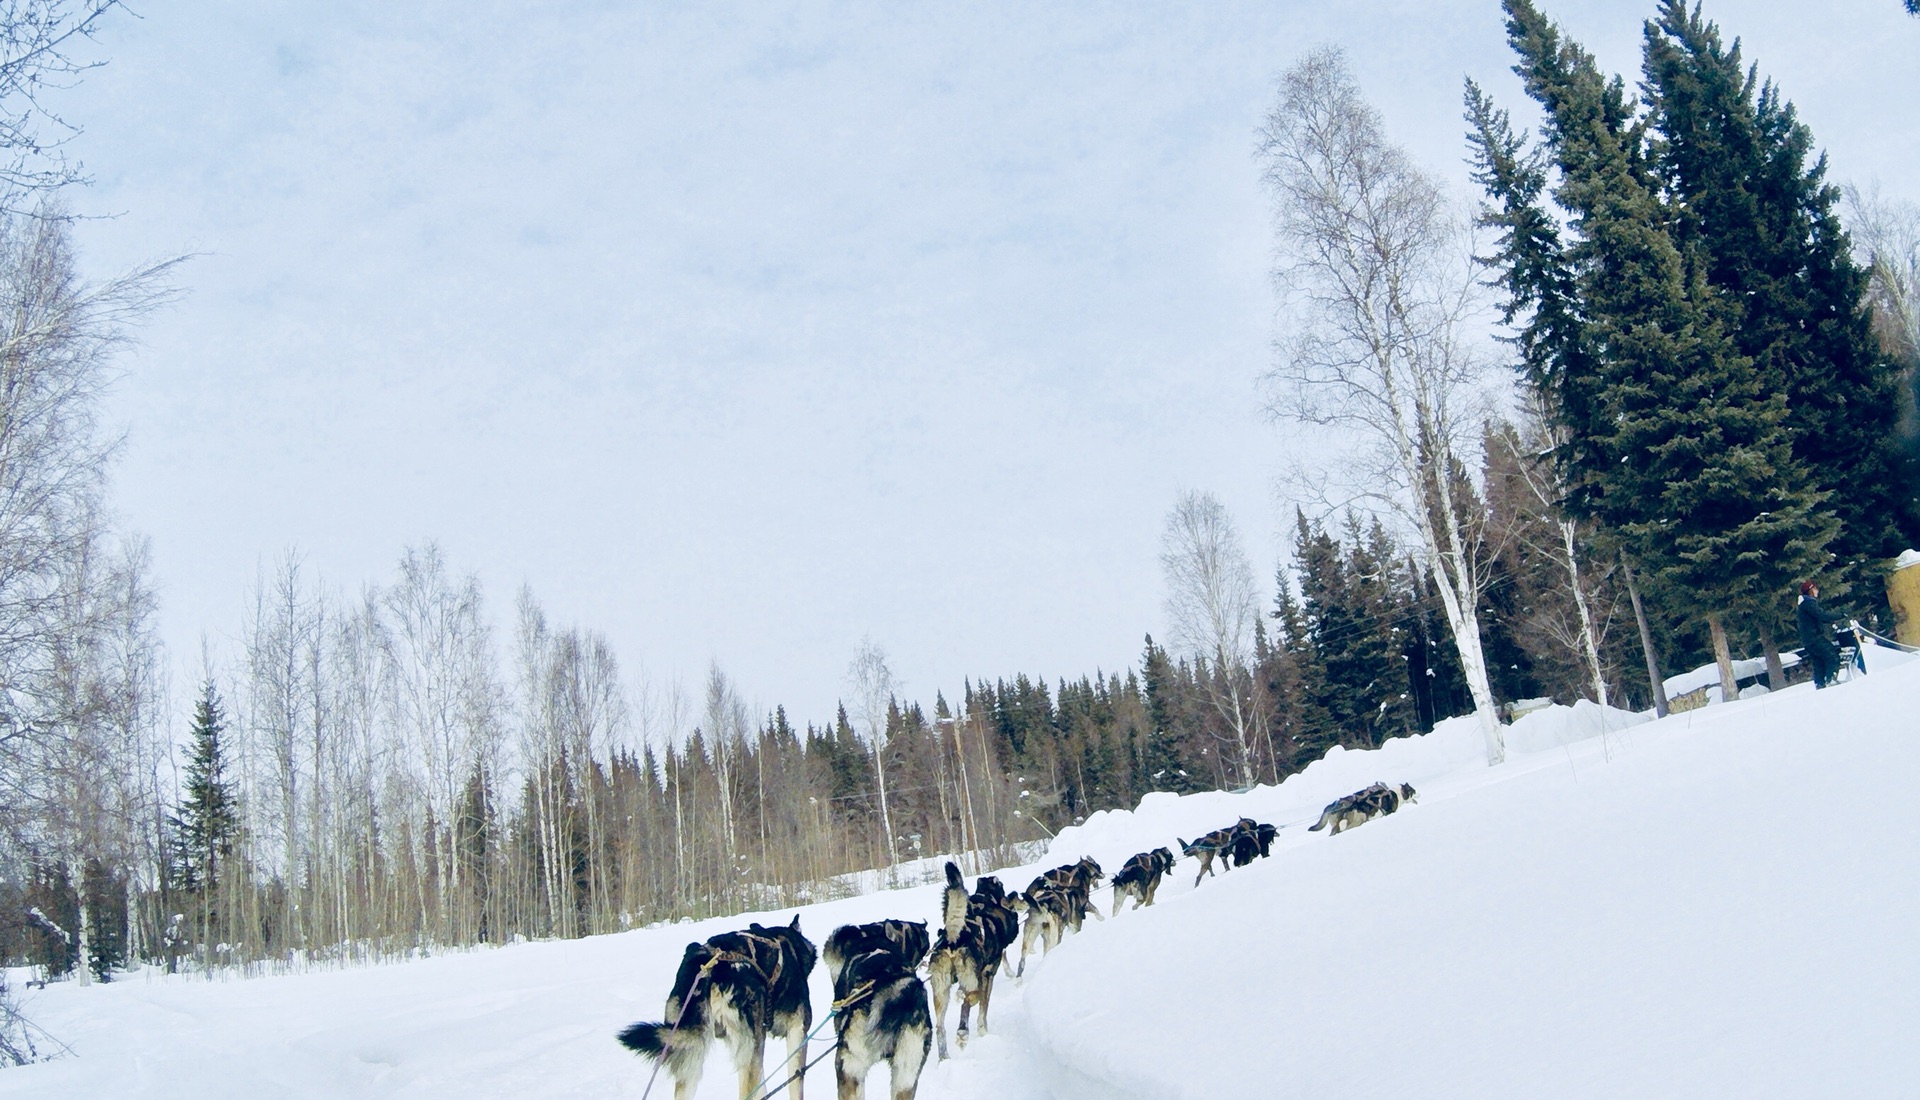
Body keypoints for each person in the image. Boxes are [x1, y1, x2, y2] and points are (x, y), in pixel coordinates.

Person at [1796, 580, 1848, 689]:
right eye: (1815, 589)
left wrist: (1832, 621)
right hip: (1814, 638)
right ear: (1810, 591)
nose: (1817, 591)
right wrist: (1841, 614)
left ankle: (1820, 685)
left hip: (1808, 640)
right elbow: (1821, 615)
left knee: (1818, 662)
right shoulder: (1808, 603)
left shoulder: (1804, 604)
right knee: (1832, 655)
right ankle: (1831, 680)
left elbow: (1818, 618)